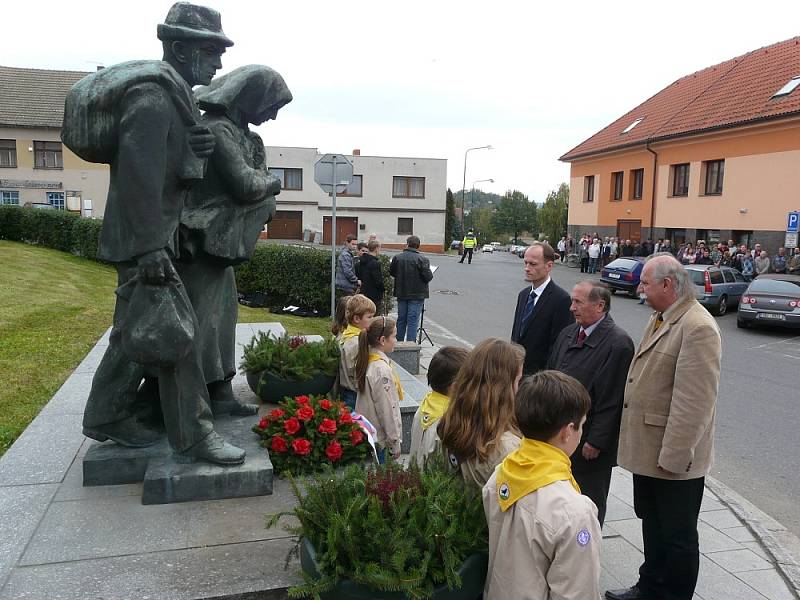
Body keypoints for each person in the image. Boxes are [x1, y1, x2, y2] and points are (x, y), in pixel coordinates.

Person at [63, 2, 244, 464]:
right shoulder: (153, 98)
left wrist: (195, 153)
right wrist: (148, 249)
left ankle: (106, 414)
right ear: (180, 49)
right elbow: (139, 181)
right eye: (211, 50)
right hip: (145, 241)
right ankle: (195, 434)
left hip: (156, 236)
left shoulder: (176, 98)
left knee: (132, 332)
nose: (219, 62)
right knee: (176, 332)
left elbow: (169, 176)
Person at [178, 64, 291, 417]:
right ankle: (188, 403)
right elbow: (247, 185)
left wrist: (262, 181)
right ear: (252, 97)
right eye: (271, 106)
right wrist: (271, 183)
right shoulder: (217, 130)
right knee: (202, 324)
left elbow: (255, 180)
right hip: (201, 245)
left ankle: (221, 393)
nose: (272, 115)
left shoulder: (244, 136)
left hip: (220, 251)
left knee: (223, 321)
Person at [607, 254, 721, 600]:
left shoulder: (698, 327)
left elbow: (694, 404)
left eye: (645, 283)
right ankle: (649, 586)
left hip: (672, 459)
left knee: (678, 537)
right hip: (649, 451)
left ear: (668, 285)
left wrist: (672, 457)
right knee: (652, 525)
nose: (639, 289)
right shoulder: (663, 317)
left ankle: (673, 595)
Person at [483, 370, 600, 600]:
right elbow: (577, 592)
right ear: (567, 432)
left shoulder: (503, 472)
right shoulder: (574, 511)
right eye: (582, 425)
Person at [548, 281, 634, 526]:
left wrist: (596, 441)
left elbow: (613, 399)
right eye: (572, 300)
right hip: (559, 436)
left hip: (588, 445)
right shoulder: (568, 333)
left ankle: (586, 548)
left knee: (588, 503)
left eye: (578, 302)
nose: (571, 307)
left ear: (600, 306)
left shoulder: (618, 344)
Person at [437, 338, 524, 490]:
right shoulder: (510, 449)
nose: (518, 389)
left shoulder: (449, 422)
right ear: (503, 390)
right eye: (517, 381)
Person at [511, 242, 574, 375]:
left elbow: (559, 346)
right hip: (516, 373)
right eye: (525, 263)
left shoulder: (561, 299)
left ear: (549, 266)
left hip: (539, 379)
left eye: (533, 264)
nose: (527, 268)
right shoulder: (523, 295)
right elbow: (516, 335)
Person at [408, 346, 469, 468]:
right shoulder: (450, 422)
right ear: (455, 387)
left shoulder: (425, 405)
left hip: (415, 477)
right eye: (470, 381)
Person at [355, 316, 403, 463]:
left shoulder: (368, 358)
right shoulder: (381, 370)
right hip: (379, 439)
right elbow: (387, 409)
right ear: (383, 340)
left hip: (368, 431)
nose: (396, 340)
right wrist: (394, 442)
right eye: (394, 336)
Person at [389, 235, 434, 341]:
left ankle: (399, 343)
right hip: (417, 294)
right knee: (413, 321)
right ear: (418, 246)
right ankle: (411, 345)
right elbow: (428, 277)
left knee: (401, 319)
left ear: (407, 244)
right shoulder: (423, 259)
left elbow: (392, 272)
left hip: (401, 292)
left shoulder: (397, 257)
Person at [337, 294, 376, 409]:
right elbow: (357, 371)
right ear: (357, 319)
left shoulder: (346, 335)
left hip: (346, 391)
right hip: (354, 394)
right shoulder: (357, 342)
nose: (372, 320)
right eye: (369, 317)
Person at [358, 240, 385, 314]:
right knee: (374, 315)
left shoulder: (362, 261)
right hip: (374, 294)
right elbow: (378, 280)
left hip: (364, 291)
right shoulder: (375, 263)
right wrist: (383, 289)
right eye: (379, 248)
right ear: (376, 248)